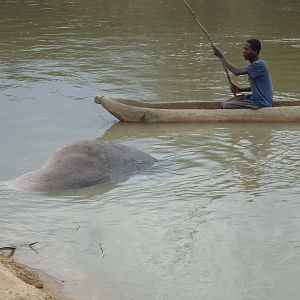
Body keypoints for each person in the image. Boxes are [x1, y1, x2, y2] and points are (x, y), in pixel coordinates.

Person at [213, 38, 273, 109]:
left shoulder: (259, 64)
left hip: (261, 103)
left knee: (227, 105)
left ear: (255, 51)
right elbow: (256, 87)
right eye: (244, 49)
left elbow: (236, 72)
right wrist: (241, 90)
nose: (244, 52)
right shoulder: (254, 65)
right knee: (224, 104)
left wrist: (221, 56)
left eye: (247, 49)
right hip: (253, 98)